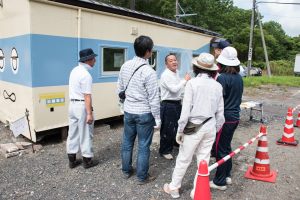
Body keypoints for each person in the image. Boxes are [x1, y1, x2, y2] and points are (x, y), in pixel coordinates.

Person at [163, 53, 225, 199]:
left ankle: (174, 188)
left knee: (184, 158)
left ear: (196, 67)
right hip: (210, 125)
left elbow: (185, 113)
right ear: (212, 69)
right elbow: (220, 114)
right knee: (203, 160)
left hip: (193, 125)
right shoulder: (217, 85)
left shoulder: (192, 83)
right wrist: (215, 129)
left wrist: (180, 130)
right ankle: (197, 191)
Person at [117, 35, 160, 184]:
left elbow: (120, 89)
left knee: (127, 142)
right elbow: (154, 98)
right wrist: (158, 119)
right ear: (148, 52)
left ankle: (125, 170)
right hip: (144, 114)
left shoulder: (125, 66)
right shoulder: (149, 72)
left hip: (129, 111)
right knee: (143, 146)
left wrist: (122, 105)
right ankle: (142, 177)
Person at [210, 46, 243, 191]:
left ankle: (220, 181)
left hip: (225, 118)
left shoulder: (222, 78)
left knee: (220, 149)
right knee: (227, 146)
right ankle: (227, 174)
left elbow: (218, 100)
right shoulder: (239, 77)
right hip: (235, 117)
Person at [66, 48, 99, 169]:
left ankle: (72, 160)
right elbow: (87, 96)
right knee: (86, 133)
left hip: (72, 105)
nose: (95, 60)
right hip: (82, 106)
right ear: (88, 60)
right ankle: (87, 161)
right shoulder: (86, 75)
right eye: (93, 58)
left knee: (72, 133)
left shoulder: (74, 70)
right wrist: (89, 113)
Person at [159, 54, 191, 160]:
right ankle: (164, 150)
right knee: (167, 128)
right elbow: (174, 89)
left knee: (177, 126)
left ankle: (174, 143)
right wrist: (185, 80)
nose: (174, 62)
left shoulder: (176, 73)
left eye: (175, 60)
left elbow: (180, 90)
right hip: (168, 104)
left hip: (177, 103)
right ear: (166, 64)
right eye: (171, 61)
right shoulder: (165, 75)